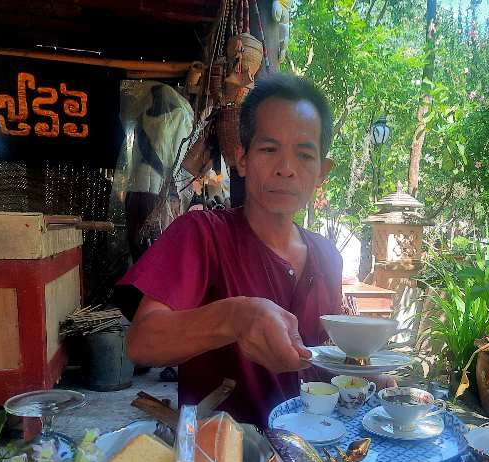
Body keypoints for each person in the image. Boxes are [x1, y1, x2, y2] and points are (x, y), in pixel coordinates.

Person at [119, 74, 351, 426]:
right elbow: (141, 342)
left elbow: (319, 362)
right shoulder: (202, 235)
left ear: (322, 172)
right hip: (223, 455)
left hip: (312, 449)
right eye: (269, 149)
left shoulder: (328, 257)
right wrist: (236, 318)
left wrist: (364, 374)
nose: (286, 169)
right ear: (242, 158)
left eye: (305, 155)